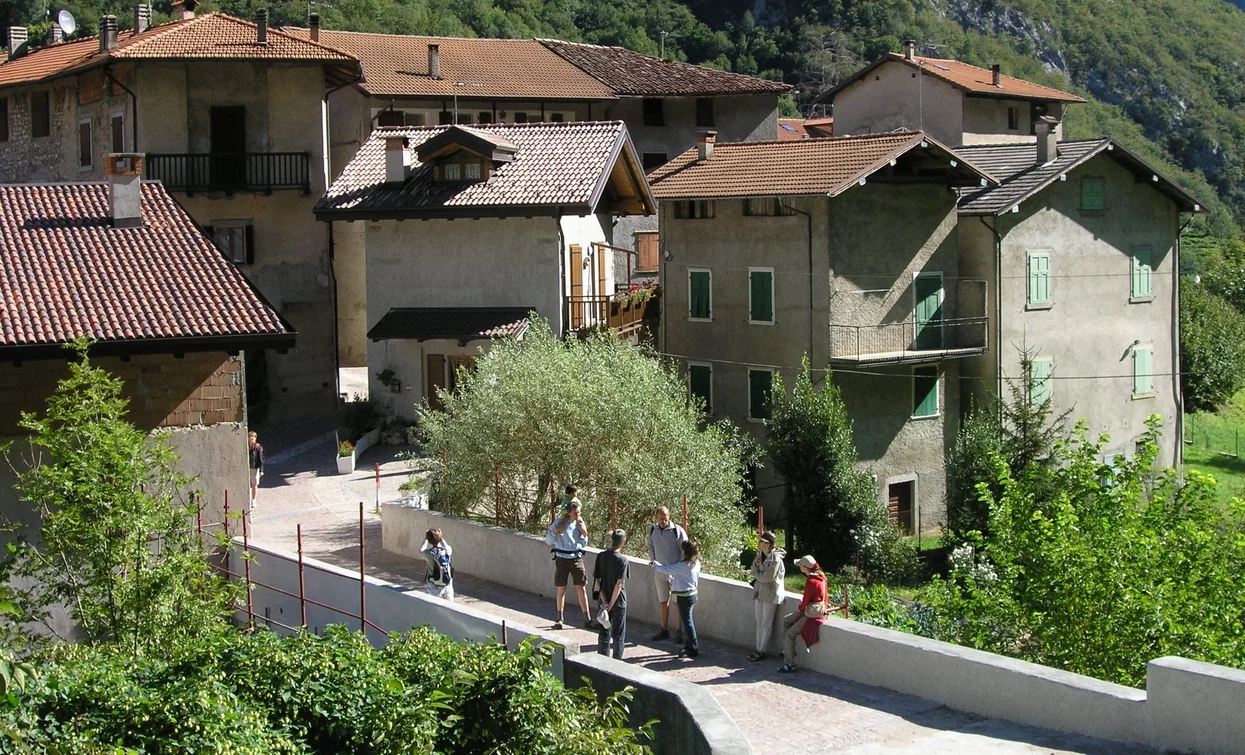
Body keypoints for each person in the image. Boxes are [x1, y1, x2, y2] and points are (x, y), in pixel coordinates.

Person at [544, 499, 591, 629]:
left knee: (581, 588)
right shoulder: (559, 523)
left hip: (576, 558)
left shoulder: (579, 523)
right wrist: (555, 532)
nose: (578, 515)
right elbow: (548, 541)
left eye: (579, 512)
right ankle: (559, 618)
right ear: (569, 512)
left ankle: (587, 619)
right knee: (561, 588)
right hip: (562, 559)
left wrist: (584, 534)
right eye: (575, 513)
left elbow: (584, 542)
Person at [650, 540, 701, 659]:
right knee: (688, 621)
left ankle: (693, 647)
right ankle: (689, 645)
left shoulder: (683, 566)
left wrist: (655, 563)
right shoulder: (696, 563)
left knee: (688, 623)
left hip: (684, 596)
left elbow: (666, 569)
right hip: (692, 594)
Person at [778, 555, 828, 673]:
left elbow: (805, 601)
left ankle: (789, 664)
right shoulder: (821, 578)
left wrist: (800, 610)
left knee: (790, 634)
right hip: (815, 610)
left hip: (811, 612)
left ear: (805, 567)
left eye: (801, 565)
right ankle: (787, 650)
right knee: (787, 620)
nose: (800, 567)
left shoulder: (811, 581)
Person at [646, 505, 688, 642]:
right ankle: (664, 629)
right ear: (657, 517)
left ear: (669, 516)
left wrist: (680, 566)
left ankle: (678, 631)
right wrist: (653, 560)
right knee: (663, 601)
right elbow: (650, 545)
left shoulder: (677, 531)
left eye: (665, 518)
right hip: (660, 572)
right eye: (661, 518)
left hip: (675, 573)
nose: (663, 521)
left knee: (677, 602)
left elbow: (686, 549)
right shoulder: (653, 529)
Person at [593, 528, 630, 660]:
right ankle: (617, 664)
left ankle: (602, 660)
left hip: (603, 602)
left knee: (603, 631)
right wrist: (612, 603)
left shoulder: (601, 556)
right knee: (619, 635)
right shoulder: (623, 560)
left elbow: (597, 580)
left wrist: (604, 599)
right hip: (618, 602)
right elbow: (619, 584)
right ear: (623, 542)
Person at [749, 531, 786, 661]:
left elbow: (767, 578)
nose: (758, 543)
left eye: (761, 541)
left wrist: (758, 575)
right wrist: (758, 573)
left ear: (768, 544)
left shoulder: (775, 559)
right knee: (759, 622)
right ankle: (757, 648)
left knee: (766, 623)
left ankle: (762, 650)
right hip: (759, 592)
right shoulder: (759, 555)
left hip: (770, 594)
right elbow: (753, 568)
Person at [419, 528, 454, 601]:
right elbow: (446, 545)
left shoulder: (429, 553)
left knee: (431, 607)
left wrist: (426, 539)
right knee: (449, 608)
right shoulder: (447, 550)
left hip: (433, 584)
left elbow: (421, 551)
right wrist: (440, 538)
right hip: (447, 584)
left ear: (429, 540)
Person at [247, 432, 264, 506]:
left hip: (255, 468)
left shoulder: (257, 447)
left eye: (253, 437)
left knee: (254, 484)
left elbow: (261, 459)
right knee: (247, 484)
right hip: (247, 468)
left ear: (255, 438)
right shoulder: (245, 447)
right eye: (250, 437)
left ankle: (253, 500)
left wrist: (261, 470)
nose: (251, 438)